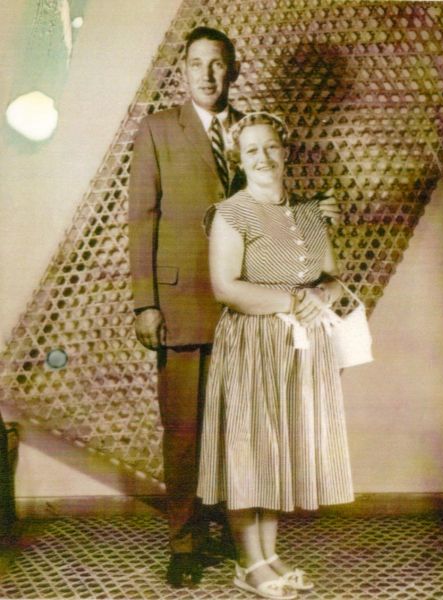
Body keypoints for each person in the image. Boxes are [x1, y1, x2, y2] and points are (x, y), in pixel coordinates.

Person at [197, 112, 354, 599]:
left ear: (285, 152)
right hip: (251, 346)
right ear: (238, 161)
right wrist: (293, 300)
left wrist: (322, 294)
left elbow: (331, 277)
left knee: (277, 451)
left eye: (270, 147)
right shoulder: (231, 213)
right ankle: (248, 563)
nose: (263, 157)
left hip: (298, 348)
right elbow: (225, 288)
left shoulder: (309, 212)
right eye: (251, 150)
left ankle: (267, 556)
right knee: (250, 452)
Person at [128, 26, 244, 587]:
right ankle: (184, 544)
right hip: (180, 302)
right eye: (196, 63)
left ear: (232, 70)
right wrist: (145, 304)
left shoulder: (251, 131)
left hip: (241, 305)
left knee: (237, 427)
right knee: (183, 431)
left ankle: (237, 530)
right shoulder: (157, 130)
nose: (207, 74)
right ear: (184, 72)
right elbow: (141, 219)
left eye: (216, 63)